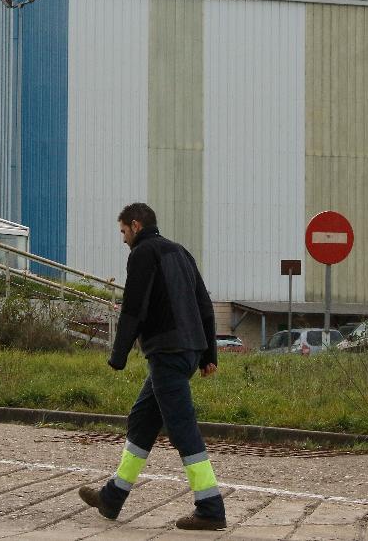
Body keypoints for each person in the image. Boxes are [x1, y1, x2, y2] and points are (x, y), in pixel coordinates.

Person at [78, 202, 226, 531]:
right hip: (187, 351)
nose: (123, 239)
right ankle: (112, 497)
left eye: (123, 231)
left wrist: (118, 355)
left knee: (182, 428)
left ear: (136, 226)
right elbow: (204, 303)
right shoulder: (181, 252)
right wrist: (208, 354)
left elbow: (134, 307)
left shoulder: (143, 254)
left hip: (167, 352)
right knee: (142, 421)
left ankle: (210, 506)